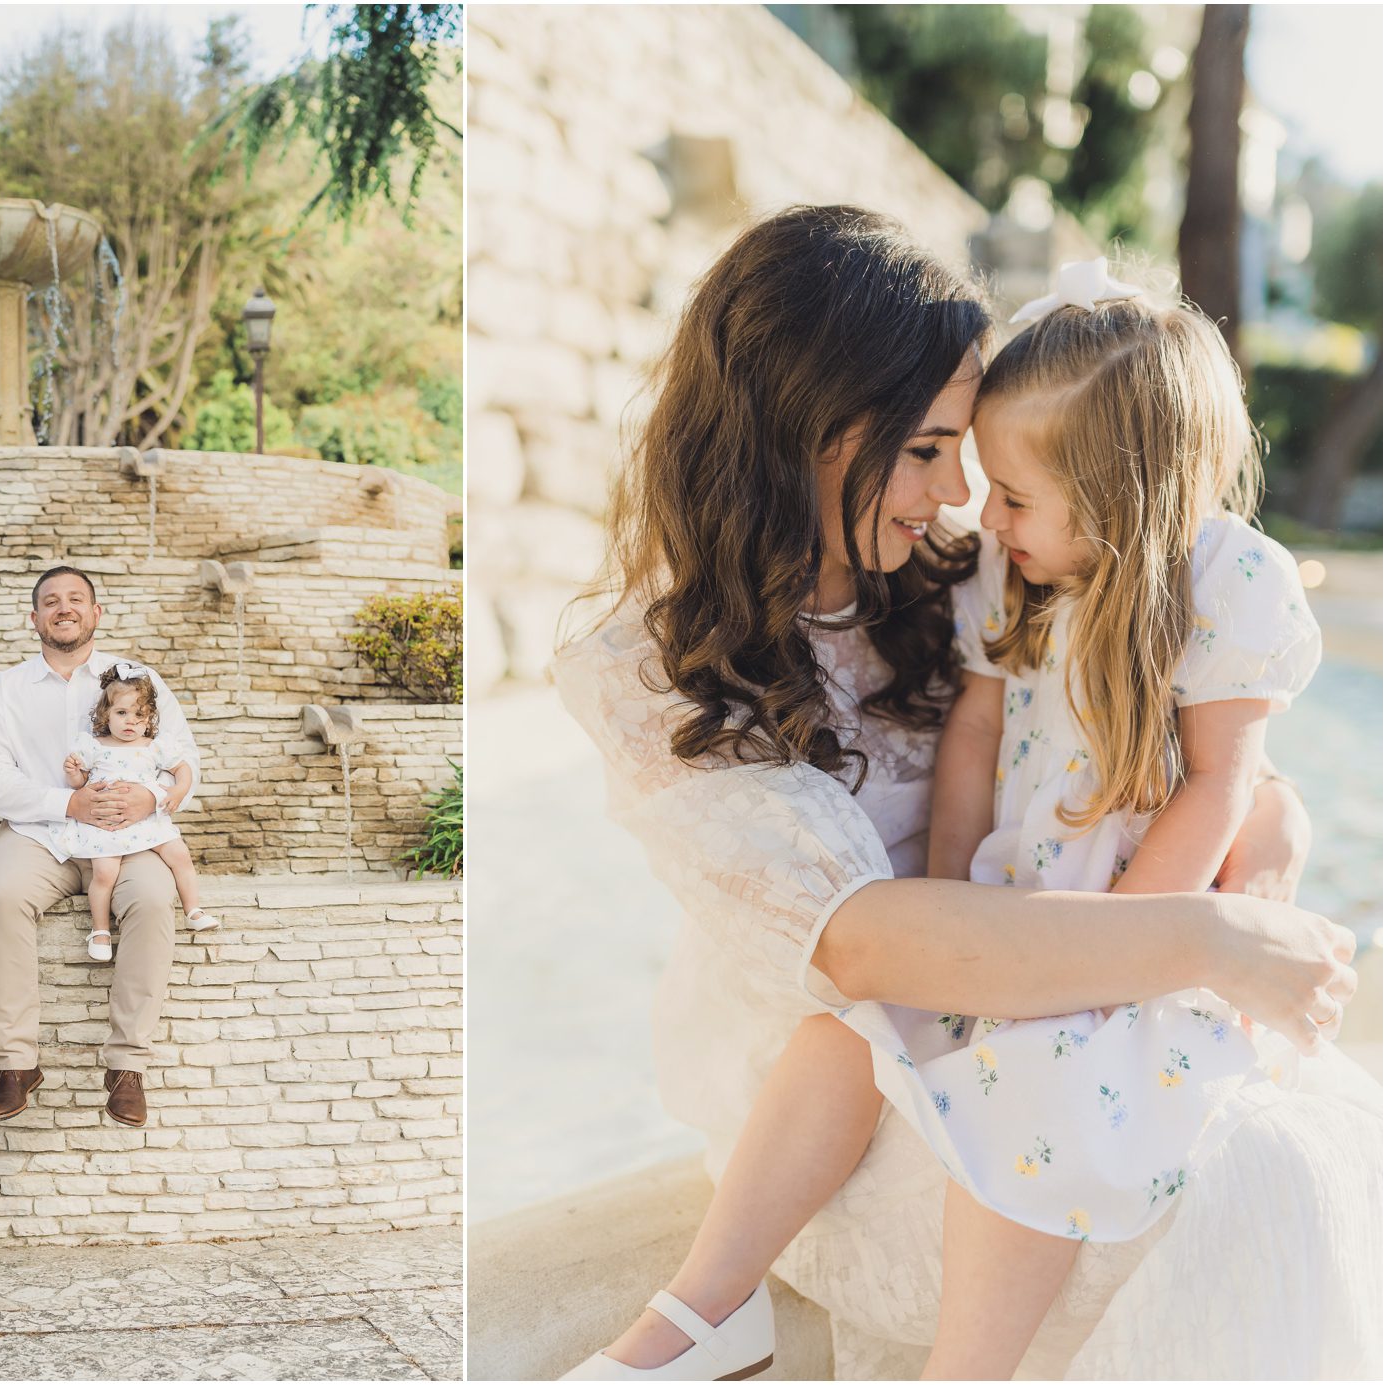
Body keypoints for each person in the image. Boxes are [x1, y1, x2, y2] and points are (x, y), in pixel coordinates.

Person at [553, 207, 1376, 1380]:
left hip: (1063, 957)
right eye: (929, 449)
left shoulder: (963, 565)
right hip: (843, 1033)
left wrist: (1267, 814)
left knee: (1271, 1159)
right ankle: (697, 1315)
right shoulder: (644, 666)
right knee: (1004, 1101)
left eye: (972, 462)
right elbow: (860, 945)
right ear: (815, 431)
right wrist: (1193, 931)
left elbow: (1184, 736)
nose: (956, 500)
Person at [0, 565, 195, 1128]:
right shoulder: (3, 692)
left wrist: (154, 798)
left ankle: (126, 1065)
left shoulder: (139, 680)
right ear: (34, 618)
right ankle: (17, 1062)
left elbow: (183, 754)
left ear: (96, 614)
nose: (63, 608)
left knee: (150, 900)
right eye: (50, 601)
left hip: (129, 834)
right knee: (2, 895)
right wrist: (66, 803)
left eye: (75, 599)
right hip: (43, 834)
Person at [59, 661, 220, 962]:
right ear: (106, 714)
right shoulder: (94, 745)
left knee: (179, 854)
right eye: (121, 713)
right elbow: (80, 784)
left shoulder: (154, 746)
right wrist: (74, 775)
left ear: (149, 719)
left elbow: (182, 767)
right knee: (105, 873)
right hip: (106, 823)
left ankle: (193, 909)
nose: (130, 721)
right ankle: (100, 930)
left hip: (146, 820)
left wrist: (178, 790)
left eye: (139, 714)